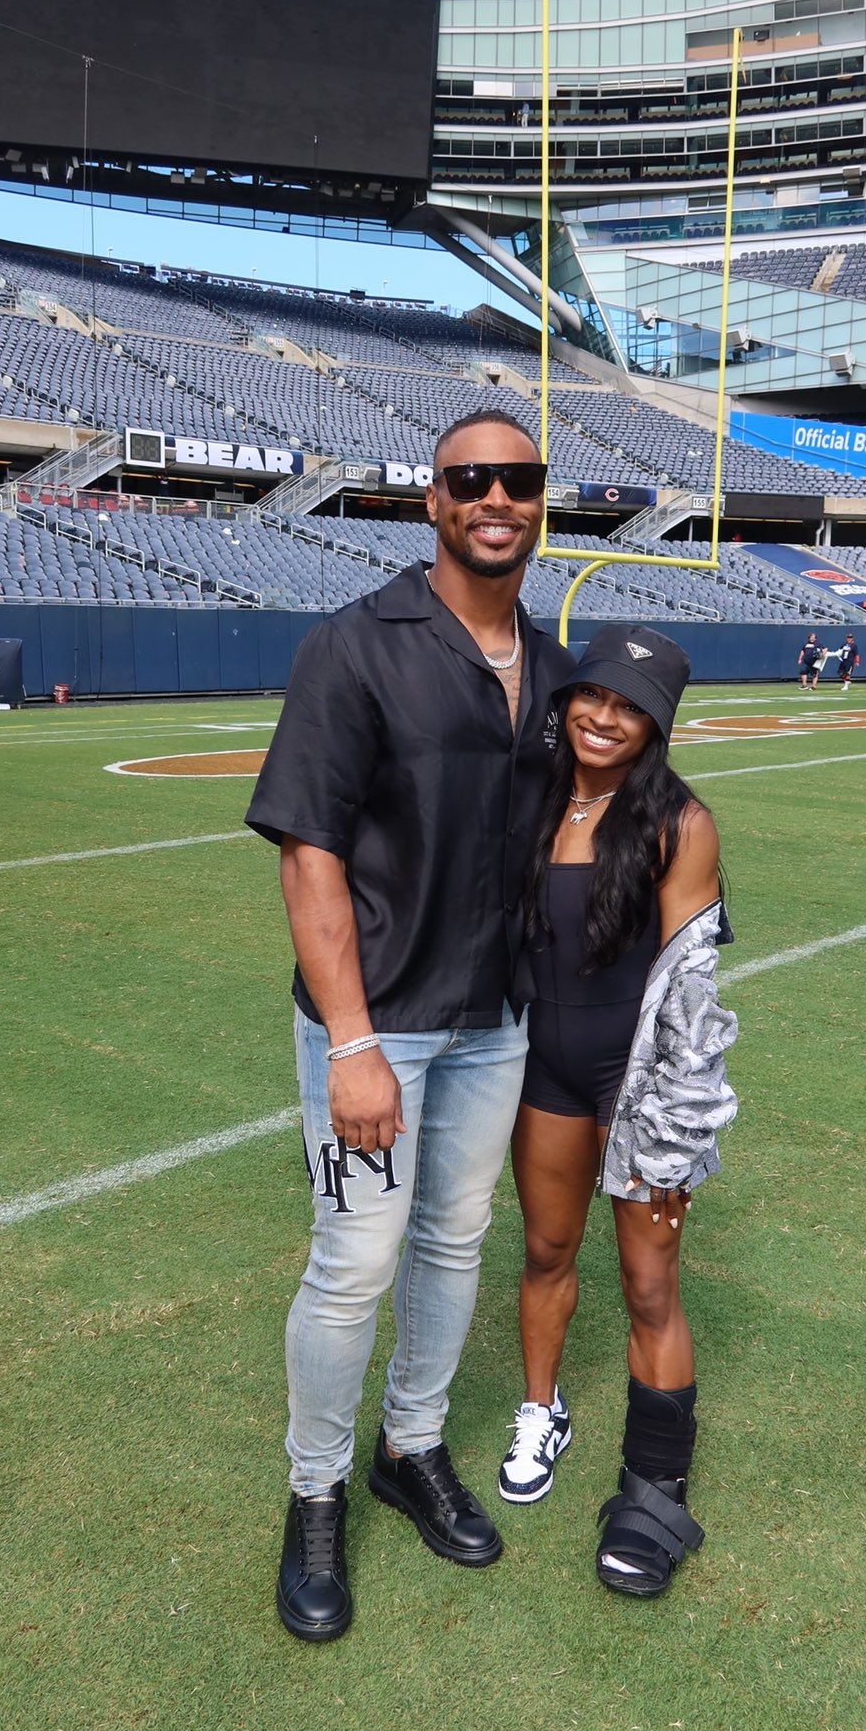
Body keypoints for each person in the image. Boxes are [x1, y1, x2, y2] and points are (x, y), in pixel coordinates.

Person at [246, 410, 574, 1644]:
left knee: (454, 1243)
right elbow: (309, 853)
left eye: (519, 479)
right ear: (431, 501)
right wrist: (349, 1041)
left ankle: (411, 1444)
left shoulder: (546, 661)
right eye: (469, 479)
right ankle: (315, 1490)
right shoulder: (355, 645)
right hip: (378, 1021)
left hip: (495, 1018)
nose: (495, 496)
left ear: (542, 501)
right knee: (354, 1264)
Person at [498, 626, 738, 1598]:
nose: (602, 717)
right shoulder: (534, 799)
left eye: (627, 705)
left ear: (657, 723)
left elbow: (689, 991)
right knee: (545, 1252)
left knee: (649, 1286)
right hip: (541, 1073)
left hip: (633, 1085)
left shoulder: (681, 823)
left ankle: (652, 1488)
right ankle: (539, 1409)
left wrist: (671, 1120)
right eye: (590, 695)